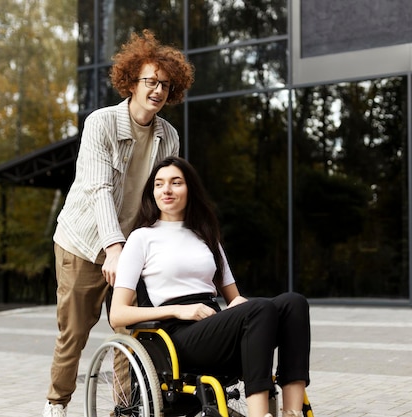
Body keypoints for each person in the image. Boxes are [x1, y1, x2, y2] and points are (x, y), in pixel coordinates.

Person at [43, 30, 194, 417]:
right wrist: (113, 248)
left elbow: (161, 198)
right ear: (132, 82)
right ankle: (56, 404)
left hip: (129, 244)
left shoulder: (168, 136)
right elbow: (98, 189)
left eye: (165, 84)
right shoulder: (102, 124)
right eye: (150, 81)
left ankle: (125, 409)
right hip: (83, 242)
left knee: (130, 330)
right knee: (74, 333)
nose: (157, 90)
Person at [110, 156, 311, 417]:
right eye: (159, 184)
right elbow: (118, 314)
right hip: (177, 336)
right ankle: (260, 414)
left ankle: (293, 412)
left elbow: (235, 299)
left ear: (190, 189)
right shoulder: (141, 238)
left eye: (176, 182)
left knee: (293, 303)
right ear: (152, 192)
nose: (166, 190)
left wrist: (238, 304)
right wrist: (179, 311)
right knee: (260, 309)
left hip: (215, 325)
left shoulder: (206, 236)